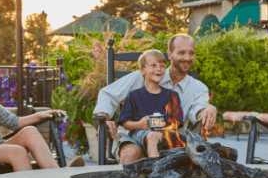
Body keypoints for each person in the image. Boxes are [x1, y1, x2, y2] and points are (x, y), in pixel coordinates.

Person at [93, 33, 217, 164]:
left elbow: (199, 110)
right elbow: (108, 94)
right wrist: (104, 116)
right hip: (134, 137)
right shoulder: (148, 74)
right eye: (181, 53)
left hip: (170, 142)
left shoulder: (198, 88)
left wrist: (207, 109)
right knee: (130, 154)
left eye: (191, 53)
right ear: (170, 55)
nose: (187, 58)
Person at [116, 50, 184, 159]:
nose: (159, 69)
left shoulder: (172, 96)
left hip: (165, 136)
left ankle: (155, 170)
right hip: (139, 135)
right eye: (153, 65)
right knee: (133, 150)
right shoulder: (134, 95)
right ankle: (153, 166)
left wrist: (165, 125)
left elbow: (178, 122)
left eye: (162, 66)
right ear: (143, 71)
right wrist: (140, 124)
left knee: (155, 135)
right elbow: (125, 123)